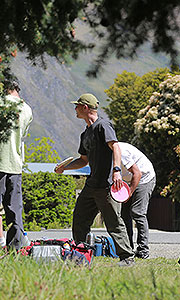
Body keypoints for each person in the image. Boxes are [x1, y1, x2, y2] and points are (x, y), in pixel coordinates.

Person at [55, 93, 135, 266]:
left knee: (114, 222)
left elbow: (115, 147)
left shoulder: (103, 125)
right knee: (79, 219)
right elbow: (83, 160)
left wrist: (116, 171)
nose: (74, 109)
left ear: (85, 108)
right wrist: (65, 168)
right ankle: (80, 255)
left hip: (107, 185)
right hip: (91, 185)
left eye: (77, 106)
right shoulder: (85, 134)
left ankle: (127, 258)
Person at [0, 80, 33, 250]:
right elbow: (22, 135)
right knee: (14, 210)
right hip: (16, 166)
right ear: (17, 90)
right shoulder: (27, 109)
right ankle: (14, 249)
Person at [119, 142, 156, 259]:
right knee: (123, 213)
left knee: (137, 212)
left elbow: (137, 174)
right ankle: (127, 248)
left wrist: (129, 193)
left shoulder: (121, 151)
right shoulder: (104, 152)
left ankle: (143, 250)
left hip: (144, 178)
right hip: (128, 180)